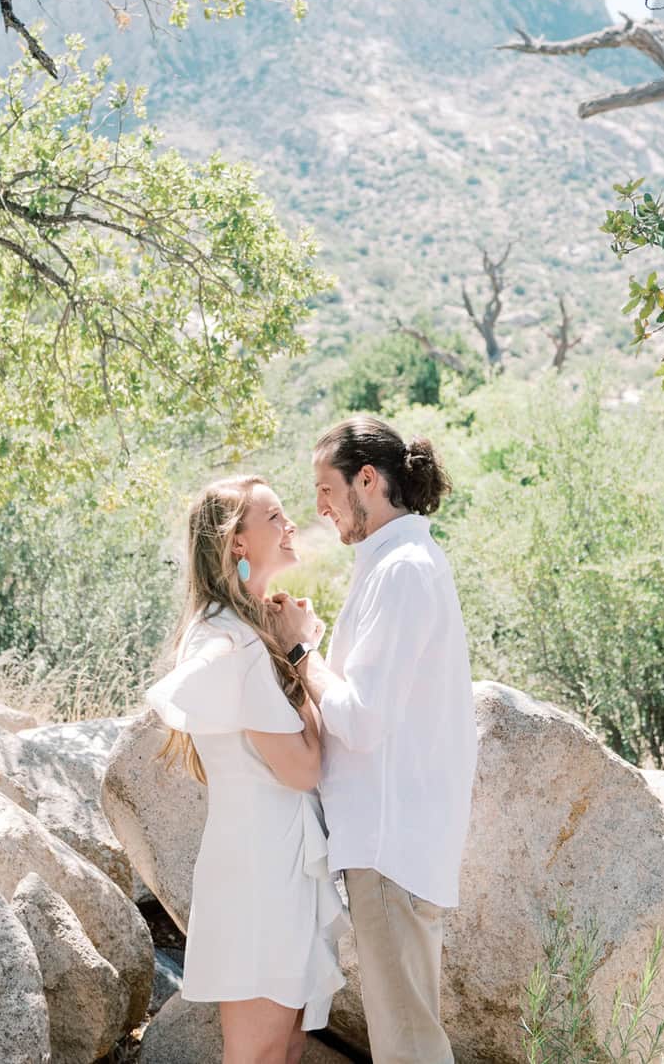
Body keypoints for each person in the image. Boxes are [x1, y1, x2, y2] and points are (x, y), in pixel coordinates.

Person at [269, 416, 476, 1064]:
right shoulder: (394, 563)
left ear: (367, 479)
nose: (319, 507)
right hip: (392, 846)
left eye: (326, 488)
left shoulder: (404, 570)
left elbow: (360, 719)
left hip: (391, 849)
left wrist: (302, 649)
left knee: (409, 1049)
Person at [146, 475, 347, 1064]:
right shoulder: (230, 640)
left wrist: (288, 646)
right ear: (237, 542)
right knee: (259, 1053)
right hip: (260, 865)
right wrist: (297, 652)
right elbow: (304, 768)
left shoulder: (248, 630)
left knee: (287, 1044)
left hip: (279, 856)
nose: (291, 526)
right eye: (276, 517)